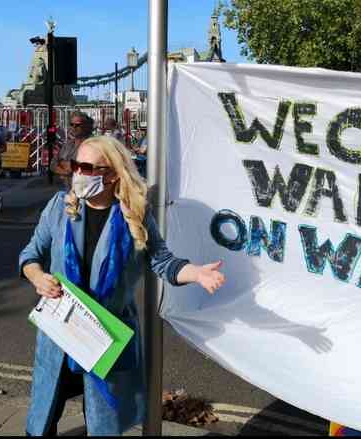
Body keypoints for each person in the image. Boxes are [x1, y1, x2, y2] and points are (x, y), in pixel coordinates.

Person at [19, 135, 225, 436]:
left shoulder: (134, 214)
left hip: (104, 336)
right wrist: (38, 277)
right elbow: (31, 255)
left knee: (103, 422)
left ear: (113, 173)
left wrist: (195, 273)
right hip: (60, 332)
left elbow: (162, 260)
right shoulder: (59, 207)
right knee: (43, 419)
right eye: (76, 165)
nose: (77, 174)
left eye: (87, 168)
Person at [50, 112, 93, 179]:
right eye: (71, 124)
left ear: (86, 126)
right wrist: (65, 171)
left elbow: (92, 168)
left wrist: (63, 164)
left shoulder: (92, 145)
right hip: (67, 187)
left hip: (85, 187)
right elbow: (53, 164)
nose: (74, 127)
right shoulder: (67, 145)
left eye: (78, 125)